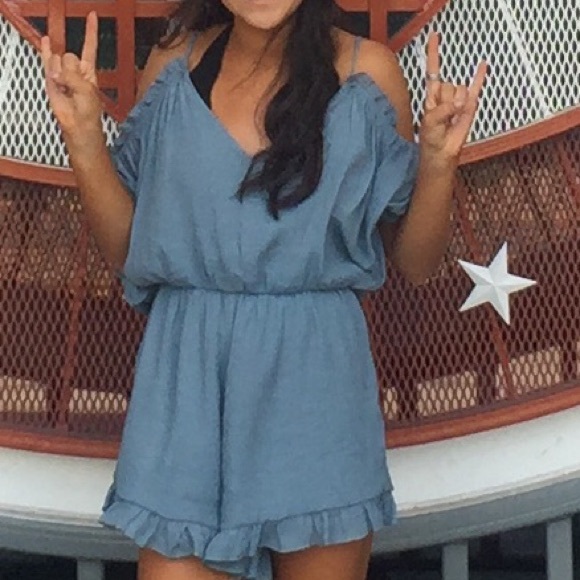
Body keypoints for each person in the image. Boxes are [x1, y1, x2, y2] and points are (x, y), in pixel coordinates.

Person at [41, 1, 486, 578]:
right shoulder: (174, 63)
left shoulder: (367, 71)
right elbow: (128, 252)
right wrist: (82, 138)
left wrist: (438, 163)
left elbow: (417, 263)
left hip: (316, 383)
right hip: (188, 378)